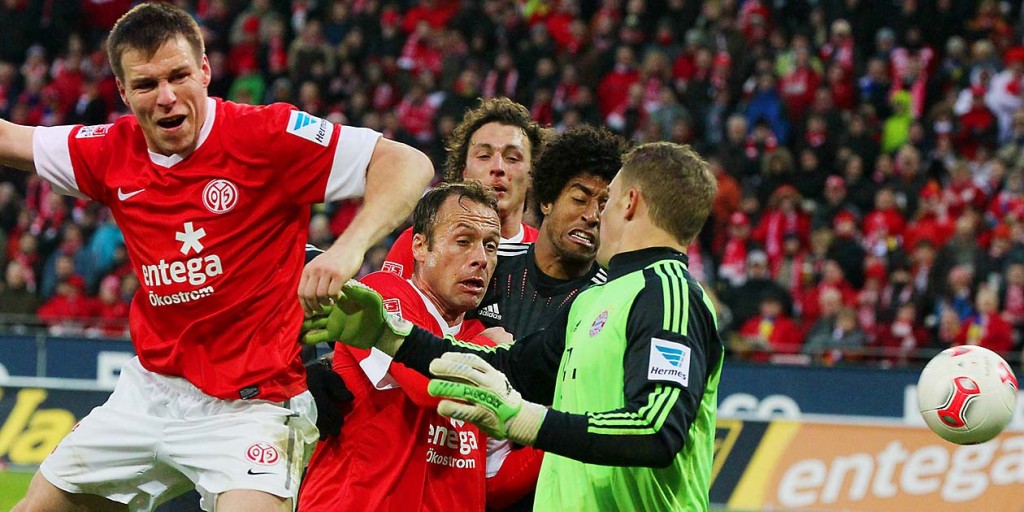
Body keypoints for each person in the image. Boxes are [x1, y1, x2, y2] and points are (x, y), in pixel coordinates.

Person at [2, 4, 432, 512]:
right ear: (122, 92)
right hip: (149, 394)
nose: (166, 98)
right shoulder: (109, 149)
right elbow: (10, 139)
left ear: (204, 71)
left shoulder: (266, 136)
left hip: (253, 405)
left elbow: (408, 163)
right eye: (145, 85)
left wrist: (347, 249)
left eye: (179, 76)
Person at [306, 142, 724, 511]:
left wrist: (527, 419)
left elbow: (655, 428)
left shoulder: (668, 294)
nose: (598, 215)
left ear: (629, 203)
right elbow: (507, 368)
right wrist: (389, 336)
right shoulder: (592, 303)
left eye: (606, 199)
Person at [297, 181, 501, 510]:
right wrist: (497, 356)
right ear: (420, 246)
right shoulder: (381, 295)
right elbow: (428, 384)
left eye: (491, 247)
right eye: (463, 241)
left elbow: (493, 483)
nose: (480, 259)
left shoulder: (478, 335)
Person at [473, 125, 627, 510]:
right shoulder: (485, 269)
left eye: (604, 206)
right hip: (464, 485)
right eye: (580, 198)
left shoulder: (613, 301)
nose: (592, 216)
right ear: (546, 201)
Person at [381, 97, 547, 279]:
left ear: (532, 175)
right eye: (484, 156)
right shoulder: (422, 242)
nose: (498, 167)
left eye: (513, 158)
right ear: (464, 173)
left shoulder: (545, 254)